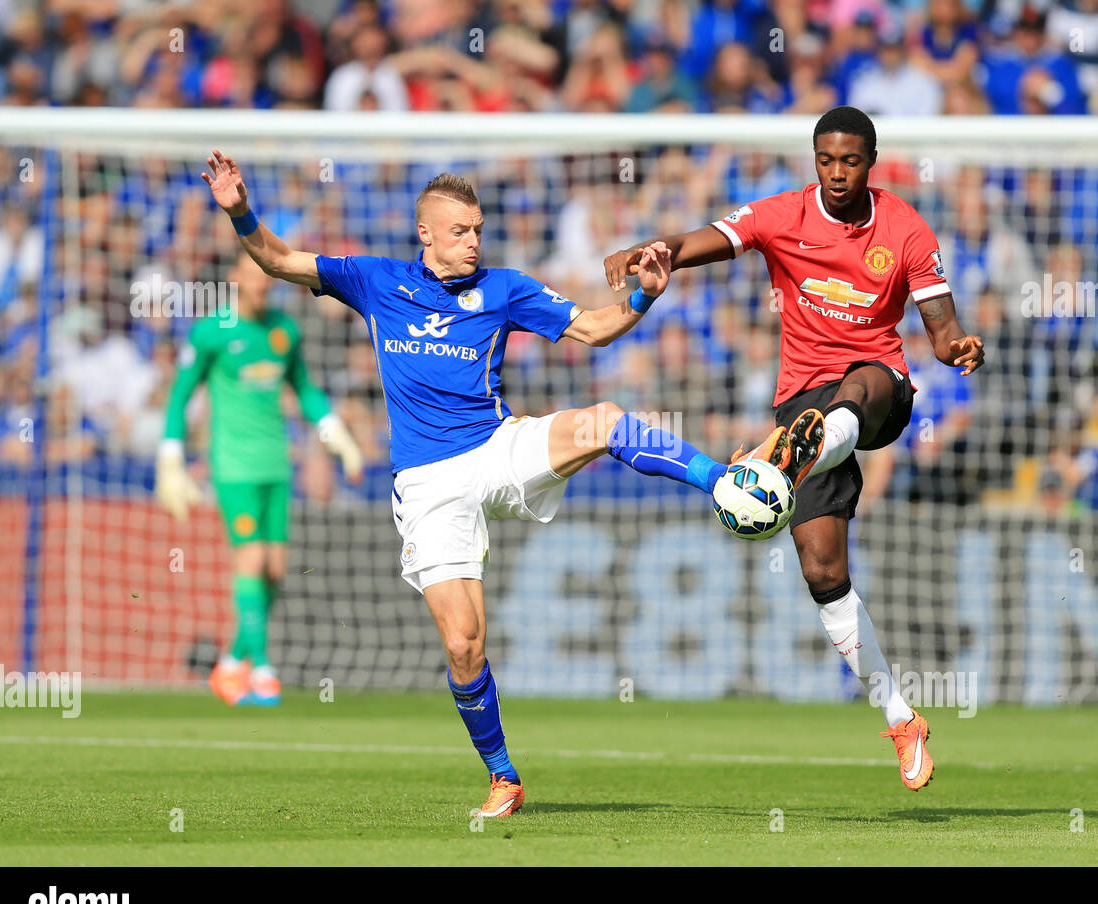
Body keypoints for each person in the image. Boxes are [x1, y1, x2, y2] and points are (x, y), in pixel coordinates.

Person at [199, 152, 793, 816]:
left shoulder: (504, 288)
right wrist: (239, 209)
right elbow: (279, 259)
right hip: (426, 484)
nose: (474, 241)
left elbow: (596, 330)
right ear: (426, 233)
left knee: (605, 421)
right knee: (463, 643)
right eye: (460, 231)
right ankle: (503, 775)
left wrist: (643, 295)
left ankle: (720, 480)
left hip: (495, 447)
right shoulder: (374, 280)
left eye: (478, 229)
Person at [604, 106, 987, 791]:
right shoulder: (783, 215)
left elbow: (942, 326)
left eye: (850, 161)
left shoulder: (905, 228)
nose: (837, 173)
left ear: (871, 161)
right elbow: (706, 241)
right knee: (822, 571)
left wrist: (957, 347)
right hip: (800, 404)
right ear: (816, 160)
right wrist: (651, 249)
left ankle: (807, 446)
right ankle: (902, 719)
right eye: (826, 160)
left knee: (862, 387)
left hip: (878, 391)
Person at [157, 250, 366, 706]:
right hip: (233, 468)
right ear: (233, 277)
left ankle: (231, 664)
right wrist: (170, 459)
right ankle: (262, 669)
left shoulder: (283, 331)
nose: (261, 282)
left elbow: (305, 390)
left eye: (266, 274)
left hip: (277, 466)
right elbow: (180, 395)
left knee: (273, 569)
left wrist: (339, 438)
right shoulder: (211, 331)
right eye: (251, 274)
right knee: (250, 561)